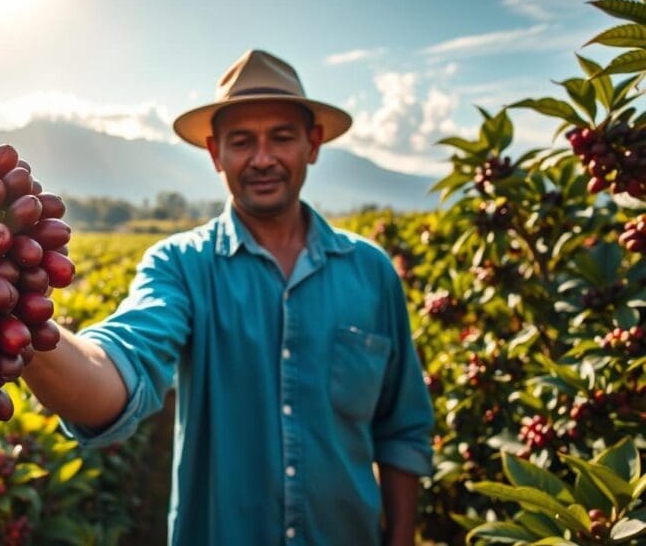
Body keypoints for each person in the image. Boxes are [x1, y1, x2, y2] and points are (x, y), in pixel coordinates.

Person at [22, 49, 434, 545]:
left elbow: (401, 429)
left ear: (313, 143)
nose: (262, 159)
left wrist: (402, 537)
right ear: (216, 153)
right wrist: (21, 326)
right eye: (242, 142)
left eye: (281, 137)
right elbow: (122, 365)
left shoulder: (371, 272)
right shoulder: (181, 265)